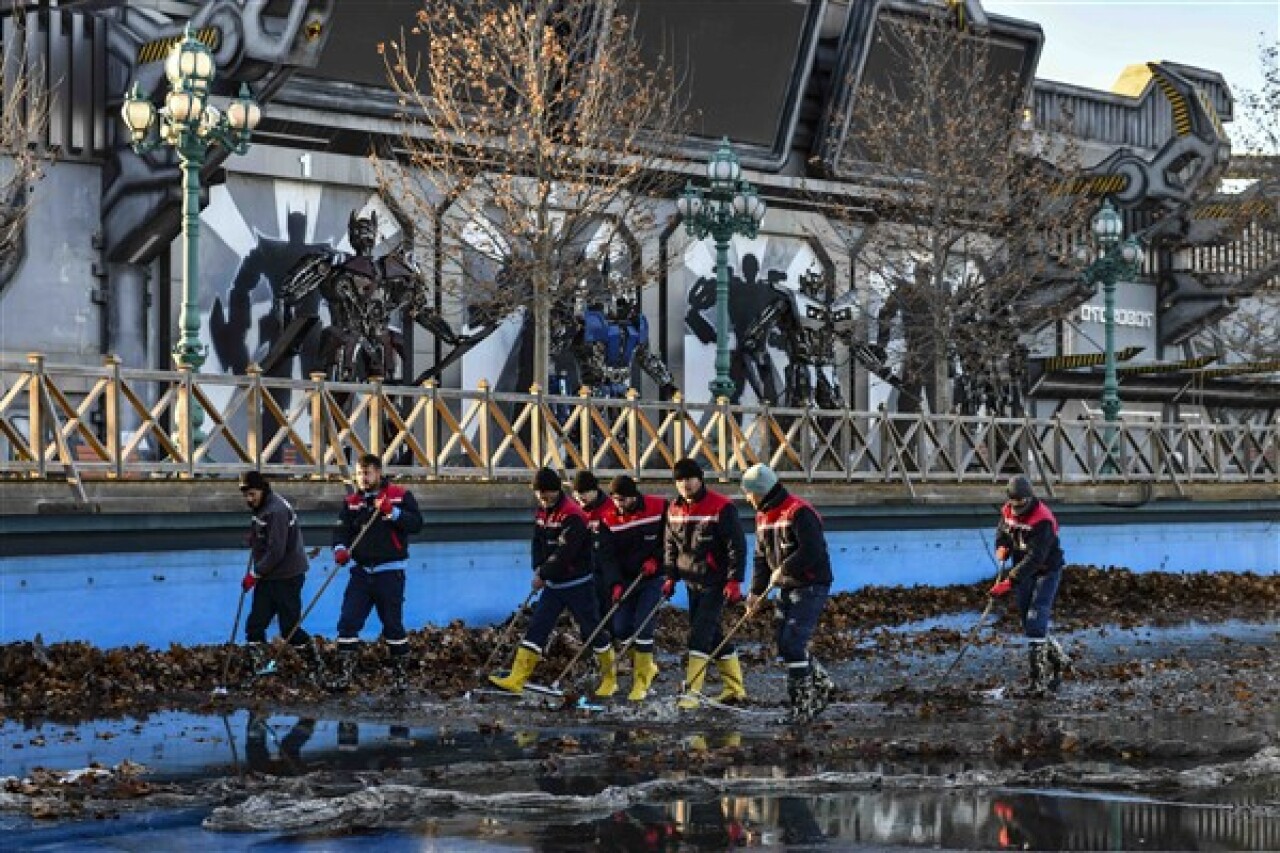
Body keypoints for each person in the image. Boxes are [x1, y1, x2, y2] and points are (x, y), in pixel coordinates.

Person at [489, 468, 616, 697]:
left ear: (557, 490)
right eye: (539, 493)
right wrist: (538, 565)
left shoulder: (573, 515)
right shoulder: (543, 512)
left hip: (578, 583)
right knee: (538, 626)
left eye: (546, 492)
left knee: (592, 629)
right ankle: (517, 677)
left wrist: (544, 573)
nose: (542, 497)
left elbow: (565, 552)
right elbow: (537, 541)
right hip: (555, 585)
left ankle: (610, 677)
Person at [741, 463, 835, 724]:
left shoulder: (799, 512)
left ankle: (802, 708)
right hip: (784, 585)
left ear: (760, 491)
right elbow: (761, 558)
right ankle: (822, 682)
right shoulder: (762, 516)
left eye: (749, 493)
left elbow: (812, 551)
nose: (747, 498)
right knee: (784, 644)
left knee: (794, 643)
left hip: (810, 584)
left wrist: (785, 568)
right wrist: (755, 593)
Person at [331, 453, 424, 693]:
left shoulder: (400, 496)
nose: (363, 478)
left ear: (378, 473)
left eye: (367, 473)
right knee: (348, 622)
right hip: (361, 572)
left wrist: (392, 513)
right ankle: (345, 677)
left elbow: (416, 524)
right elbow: (341, 532)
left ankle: (400, 679)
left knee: (392, 625)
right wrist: (340, 550)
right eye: (360, 473)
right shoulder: (352, 502)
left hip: (389, 573)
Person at [662, 458, 748, 709]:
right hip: (691, 580)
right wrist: (670, 575)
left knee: (699, 635)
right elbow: (670, 545)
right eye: (679, 481)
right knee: (714, 635)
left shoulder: (721, 507)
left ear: (700, 479)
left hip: (715, 581)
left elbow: (736, 546)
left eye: (689, 479)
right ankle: (735, 688)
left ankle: (692, 693)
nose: (684, 485)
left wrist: (734, 580)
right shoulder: (674, 509)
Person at [239, 471, 324, 682]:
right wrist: (256, 538)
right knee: (256, 624)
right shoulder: (261, 508)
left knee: (289, 628)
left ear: (262, 489)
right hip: (269, 576)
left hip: (287, 576)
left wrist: (254, 573)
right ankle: (261, 669)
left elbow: (277, 551)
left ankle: (314, 664)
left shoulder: (276, 511)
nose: (249, 499)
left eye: (252, 494)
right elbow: (265, 537)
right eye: (246, 495)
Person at [988, 475, 1069, 696]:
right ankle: (1060, 660)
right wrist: (1002, 547)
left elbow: (1036, 557)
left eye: (1021, 503)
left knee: (1036, 617)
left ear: (1029, 498)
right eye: (1013, 503)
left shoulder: (1043, 519)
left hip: (1045, 571)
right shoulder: (1007, 511)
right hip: (1022, 571)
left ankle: (1037, 682)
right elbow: (1002, 533)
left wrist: (1009, 581)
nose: (1017, 508)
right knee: (1028, 622)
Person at [595, 475, 668, 701]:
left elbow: (670, 539)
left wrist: (657, 560)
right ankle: (647, 667)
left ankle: (641, 682)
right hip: (626, 580)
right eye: (616, 500)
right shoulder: (607, 519)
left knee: (643, 626)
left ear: (635, 495)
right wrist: (614, 583)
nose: (620, 504)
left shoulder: (659, 507)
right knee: (622, 628)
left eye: (624, 500)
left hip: (653, 577)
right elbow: (607, 557)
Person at [571, 470, 612, 614]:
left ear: (595, 490)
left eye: (584, 492)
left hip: (607, 566)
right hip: (584, 567)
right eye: (577, 493)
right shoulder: (574, 511)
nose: (580, 497)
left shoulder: (610, 508)